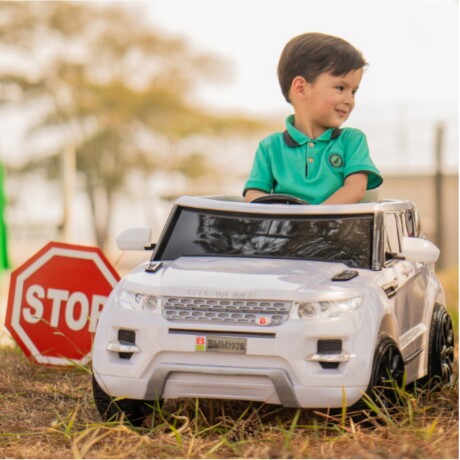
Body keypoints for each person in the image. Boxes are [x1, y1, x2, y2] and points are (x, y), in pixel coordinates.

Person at [243, 32, 382, 204]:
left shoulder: (351, 140)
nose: (349, 100)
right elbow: (254, 193)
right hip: (286, 229)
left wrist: (312, 220)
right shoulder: (270, 147)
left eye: (353, 91)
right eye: (340, 88)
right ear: (301, 88)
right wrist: (284, 216)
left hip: (335, 230)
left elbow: (355, 189)